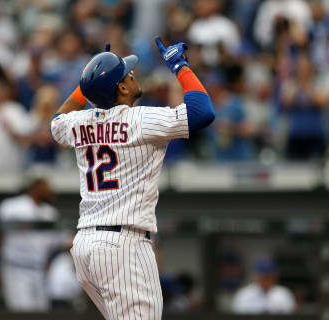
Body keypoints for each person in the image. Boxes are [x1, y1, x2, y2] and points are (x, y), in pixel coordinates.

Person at [50, 38, 214, 319]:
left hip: (85, 246)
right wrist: (180, 65)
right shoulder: (139, 119)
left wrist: (92, 80)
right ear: (122, 88)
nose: (134, 73)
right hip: (122, 246)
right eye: (128, 74)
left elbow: (57, 121)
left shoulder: (80, 122)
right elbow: (202, 113)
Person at [0, 178, 71, 311]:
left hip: (39, 271)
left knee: (41, 311)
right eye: (45, 187)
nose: (50, 191)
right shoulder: (12, 206)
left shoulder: (50, 213)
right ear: (35, 187)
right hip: (16, 268)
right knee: (22, 312)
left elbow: (62, 240)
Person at [231, 257, 295, 314]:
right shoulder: (243, 294)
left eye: (270, 276)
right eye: (264, 276)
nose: (268, 280)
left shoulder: (284, 294)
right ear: (256, 276)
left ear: (276, 276)